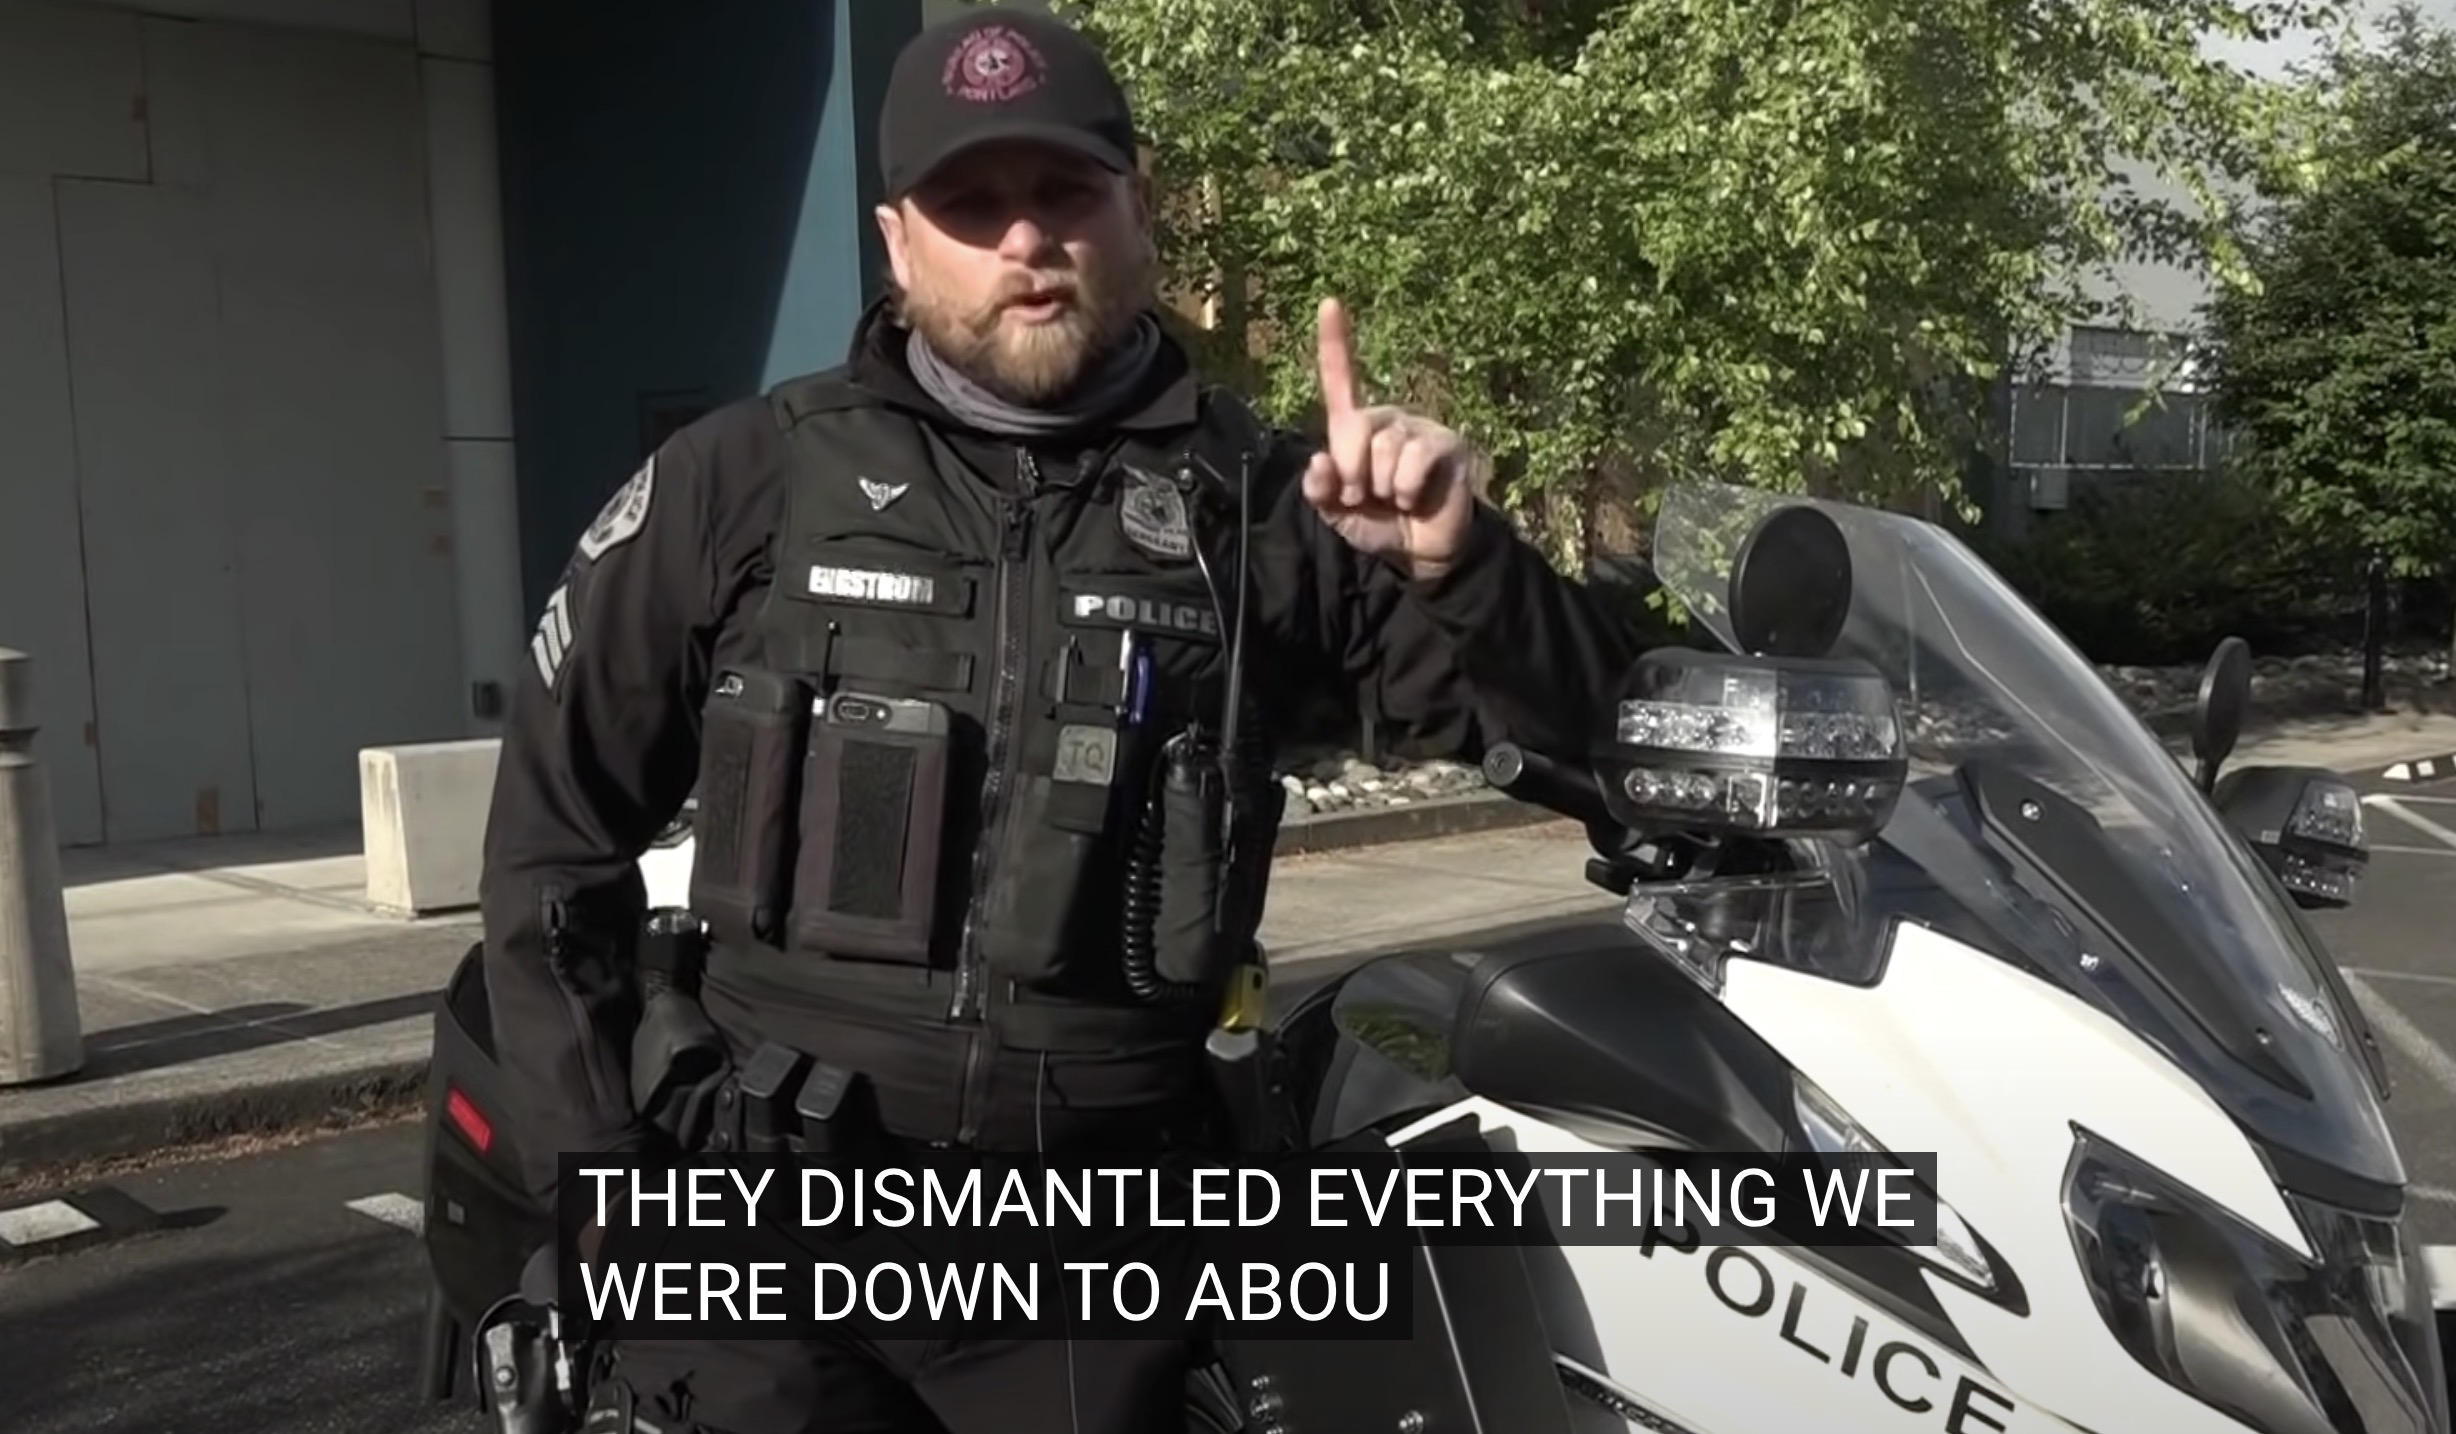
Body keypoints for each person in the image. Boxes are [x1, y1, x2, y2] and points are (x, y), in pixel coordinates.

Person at [476, 8, 1644, 1433]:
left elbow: (1602, 742)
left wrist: (1467, 567)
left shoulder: (1270, 515)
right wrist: (611, 1187)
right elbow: (551, 844)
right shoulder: (742, 484)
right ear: (900, 241)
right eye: (973, 203)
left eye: (1063, 191)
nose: (1023, 237)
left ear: (1135, 210)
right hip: (770, 1242)